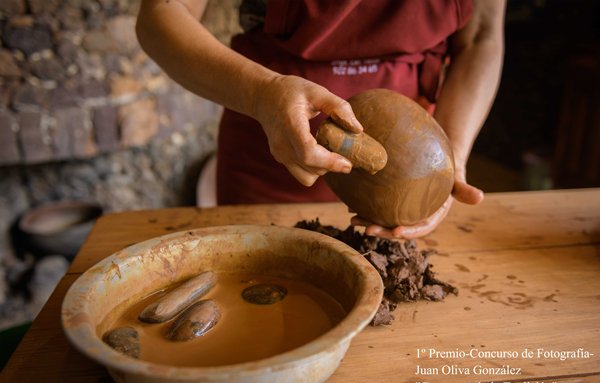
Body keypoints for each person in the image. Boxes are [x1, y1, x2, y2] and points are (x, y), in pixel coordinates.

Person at [136, 0, 505, 238]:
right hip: (270, 145)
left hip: (407, 170)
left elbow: (481, 38)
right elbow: (161, 16)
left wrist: (450, 160)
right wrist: (263, 94)